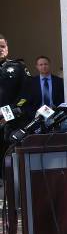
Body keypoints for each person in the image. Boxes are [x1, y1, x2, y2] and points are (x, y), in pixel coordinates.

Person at [0, 34, 29, 180]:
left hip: (12, 121)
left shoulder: (18, 67)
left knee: (10, 158)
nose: (0, 50)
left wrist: (8, 113)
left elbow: (25, 95)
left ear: (7, 48)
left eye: (2, 46)